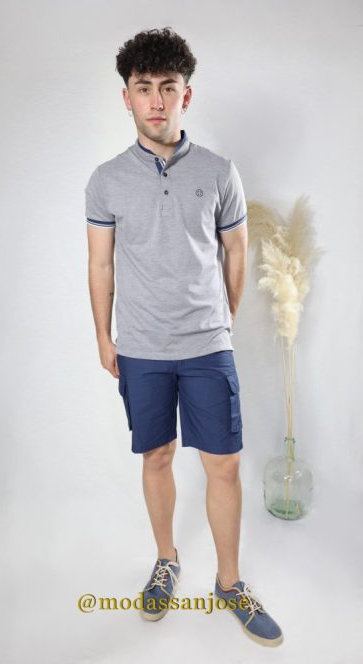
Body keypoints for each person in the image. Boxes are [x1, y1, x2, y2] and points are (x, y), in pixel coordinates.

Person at [85, 27, 283, 647]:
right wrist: (104, 337)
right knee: (158, 456)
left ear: (186, 95)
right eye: (144, 87)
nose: (156, 100)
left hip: (206, 346)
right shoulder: (106, 180)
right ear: (127, 97)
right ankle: (167, 560)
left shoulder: (220, 172)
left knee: (224, 464)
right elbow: (100, 263)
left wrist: (223, 318)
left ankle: (229, 582)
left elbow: (237, 250)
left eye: (168, 87)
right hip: (141, 346)